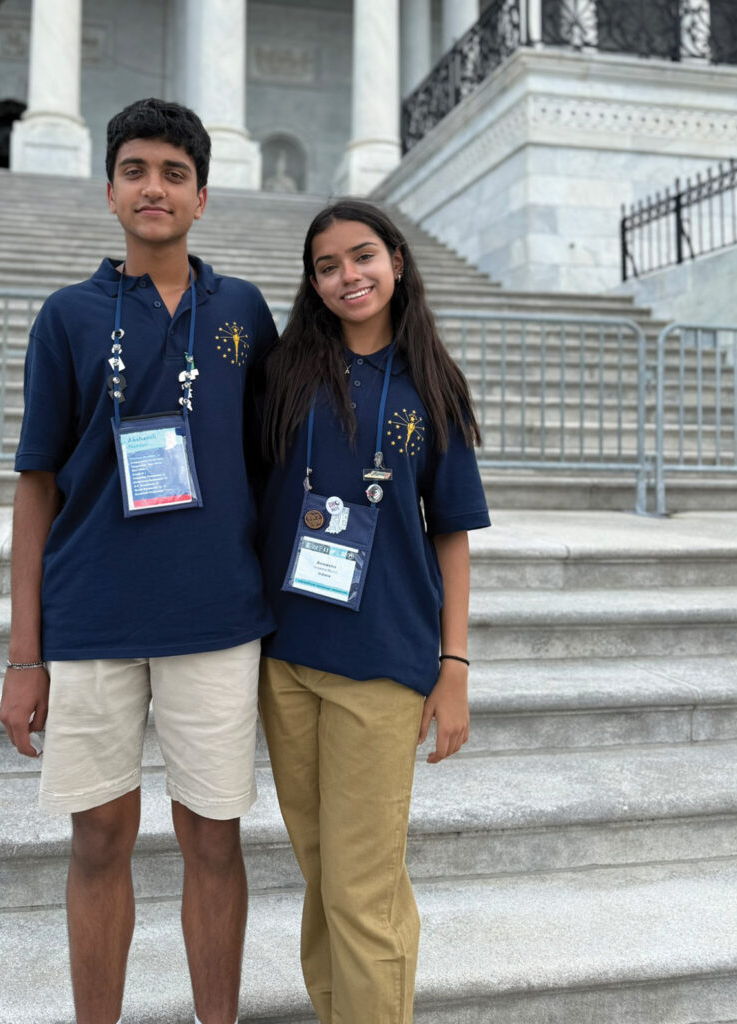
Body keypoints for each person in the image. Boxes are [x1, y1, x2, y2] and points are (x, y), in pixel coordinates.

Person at [0, 98, 277, 1024]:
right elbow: (36, 485)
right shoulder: (67, 316)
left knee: (212, 839)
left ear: (203, 197)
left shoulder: (240, 309)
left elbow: (277, 458)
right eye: (135, 170)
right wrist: (23, 654)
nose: (152, 187)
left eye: (173, 172)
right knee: (98, 840)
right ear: (109, 189)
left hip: (217, 616)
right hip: (92, 616)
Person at [257, 199, 490, 1023]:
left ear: (395, 260)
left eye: (361, 257)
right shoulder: (284, 371)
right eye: (327, 266)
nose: (347, 276)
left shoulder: (432, 385)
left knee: (362, 889)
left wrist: (453, 667)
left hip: (383, 663)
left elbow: (452, 536)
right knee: (324, 875)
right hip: (285, 659)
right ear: (312, 282)